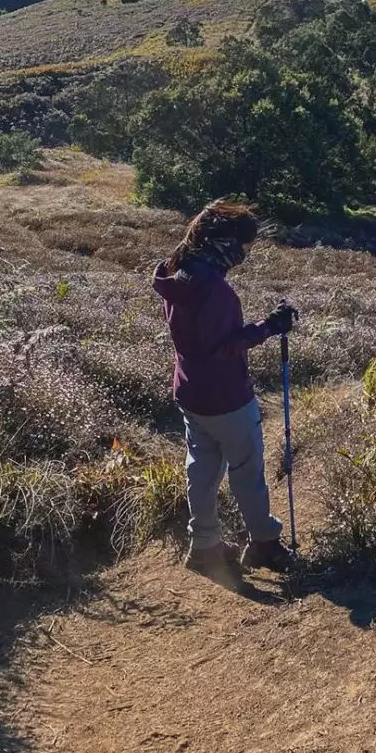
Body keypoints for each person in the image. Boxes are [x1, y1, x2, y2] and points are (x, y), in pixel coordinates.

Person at [153, 200, 297, 578]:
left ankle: (203, 546)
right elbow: (223, 345)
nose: (244, 254)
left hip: (190, 391)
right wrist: (269, 326)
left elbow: (203, 341)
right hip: (226, 396)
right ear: (224, 242)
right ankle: (264, 543)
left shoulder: (176, 273)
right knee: (246, 470)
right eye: (244, 246)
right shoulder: (211, 288)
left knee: (201, 469)